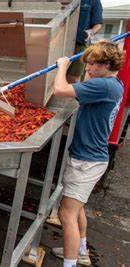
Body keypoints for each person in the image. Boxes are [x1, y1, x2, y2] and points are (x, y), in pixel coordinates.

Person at [51, 41, 124, 267]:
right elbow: (81, 88)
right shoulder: (114, 84)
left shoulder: (104, 86)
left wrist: (63, 66)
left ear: (106, 64)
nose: (88, 69)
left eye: (92, 64)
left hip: (86, 161)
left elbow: (60, 90)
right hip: (93, 157)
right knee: (77, 207)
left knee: (66, 214)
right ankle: (80, 251)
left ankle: (70, 263)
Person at [67, 0, 103, 83]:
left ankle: (72, 95)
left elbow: (98, 24)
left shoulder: (93, 1)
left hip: (79, 45)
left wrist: (91, 32)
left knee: (73, 77)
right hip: (59, 43)